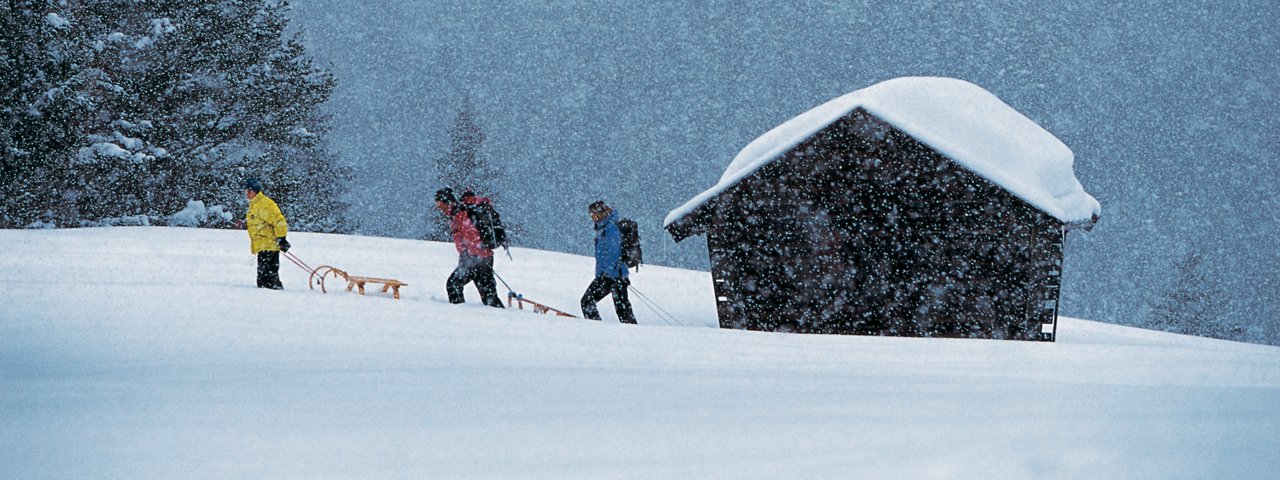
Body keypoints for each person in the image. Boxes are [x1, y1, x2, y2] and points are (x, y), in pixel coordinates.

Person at [436, 187, 504, 308]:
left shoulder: (463, 214)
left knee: (453, 284)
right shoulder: (458, 215)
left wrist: (469, 255)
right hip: (483, 258)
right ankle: (501, 317)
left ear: (448, 202)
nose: (441, 209)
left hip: (476, 259)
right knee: (488, 296)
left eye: (441, 205)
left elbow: (474, 237)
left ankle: (460, 315)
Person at [581, 200, 636, 324]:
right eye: (591, 215)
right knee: (588, 302)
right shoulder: (602, 229)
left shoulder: (611, 228)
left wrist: (608, 274)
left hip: (615, 276)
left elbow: (614, 253)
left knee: (621, 310)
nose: (592, 218)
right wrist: (600, 275)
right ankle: (598, 329)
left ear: (601, 213)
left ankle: (634, 335)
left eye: (594, 214)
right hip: (607, 276)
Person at [244, 178, 290, 290]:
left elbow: (279, 221)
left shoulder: (265, 204)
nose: (246, 194)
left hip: (269, 246)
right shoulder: (255, 205)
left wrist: (282, 238)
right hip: (263, 246)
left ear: (254, 191)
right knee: (263, 280)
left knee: (269, 280)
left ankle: (276, 298)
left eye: (248, 191)